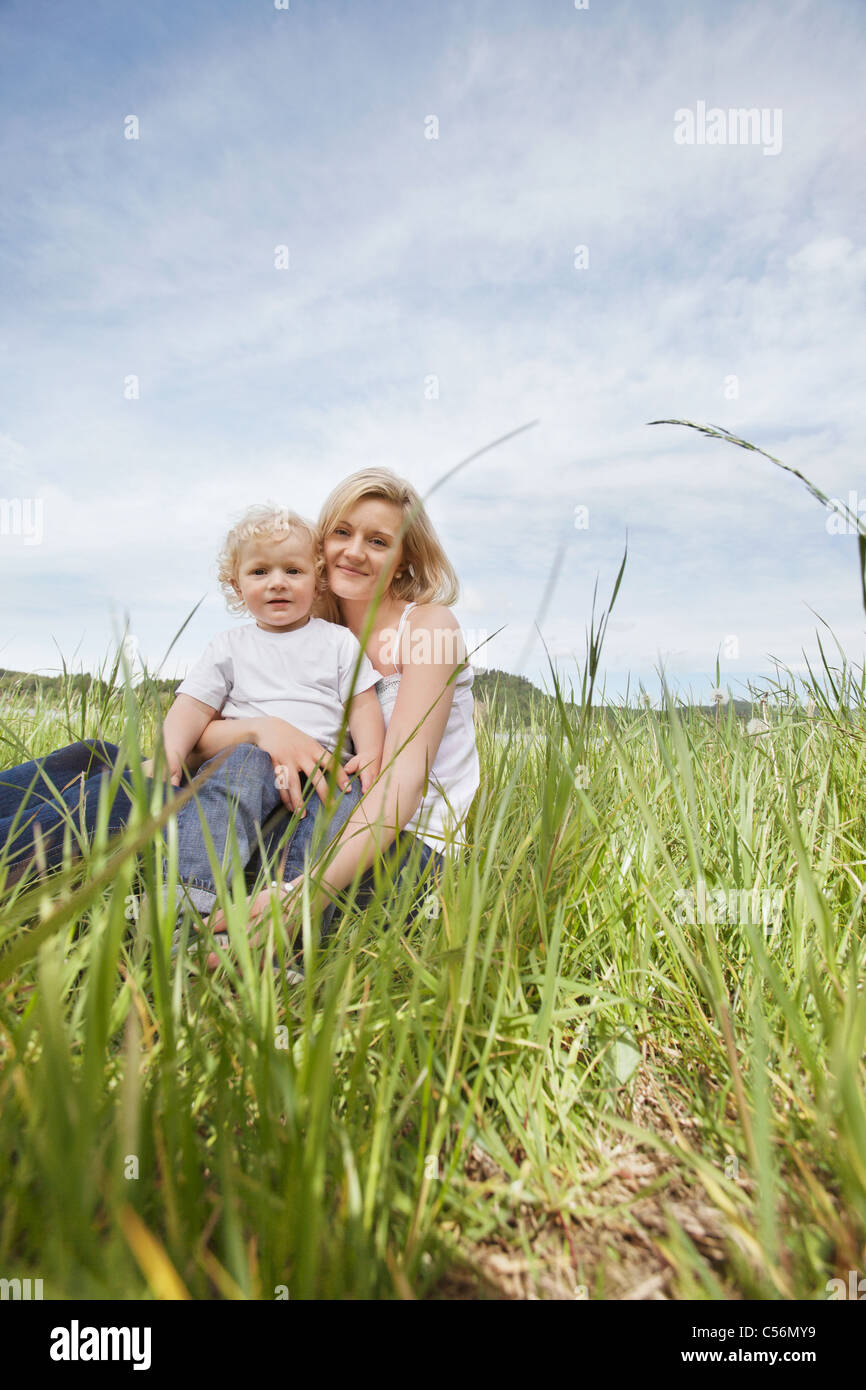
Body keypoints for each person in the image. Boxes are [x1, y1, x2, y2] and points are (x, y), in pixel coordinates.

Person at [189, 467, 480, 960]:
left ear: (405, 557)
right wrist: (266, 729)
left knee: (115, 811)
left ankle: (261, 940)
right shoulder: (311, 626)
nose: (354, 551)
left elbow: (399, 784)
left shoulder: (430, 627)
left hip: (397, 845)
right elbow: (197, 740)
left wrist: (309, 892)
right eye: (341, 533)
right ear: (320, 544)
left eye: (378, 541)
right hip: (308, 813)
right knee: (97, 762)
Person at [152, 504, 385, 941]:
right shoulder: (229, 646)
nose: (277, 582)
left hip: (323, 767)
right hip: (251, 760)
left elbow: (363, 703)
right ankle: (189, 896)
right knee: (231, 780)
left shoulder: (337, 642)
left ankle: (286, 922)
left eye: (293, 571)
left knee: (339, 810)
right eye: (260, 572)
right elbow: (192, 706)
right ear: (236, 586)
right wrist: (168, 754)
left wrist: (371, 754)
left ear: (316, 580)